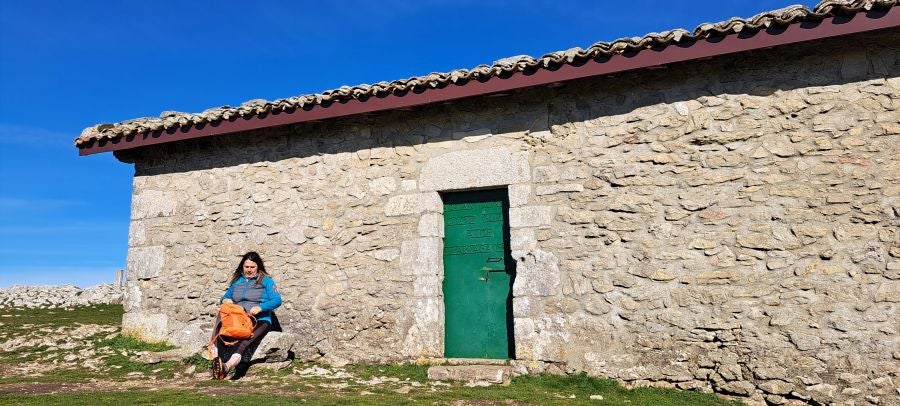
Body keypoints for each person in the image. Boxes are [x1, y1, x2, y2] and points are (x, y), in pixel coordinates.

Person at [209, 251, 282, 380]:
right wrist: (225, 300)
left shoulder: (266, 281)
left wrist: (261, 307)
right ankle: (218, 364)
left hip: (259, 319)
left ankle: (227, 366)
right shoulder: (237, 282)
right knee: (222, 331)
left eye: (252, 267)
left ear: (258, 266)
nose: (249, 270)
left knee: (244, 340)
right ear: (242, 267)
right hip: (238, 318)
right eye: (246, 267)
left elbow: (277, 300)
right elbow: (226, 296)